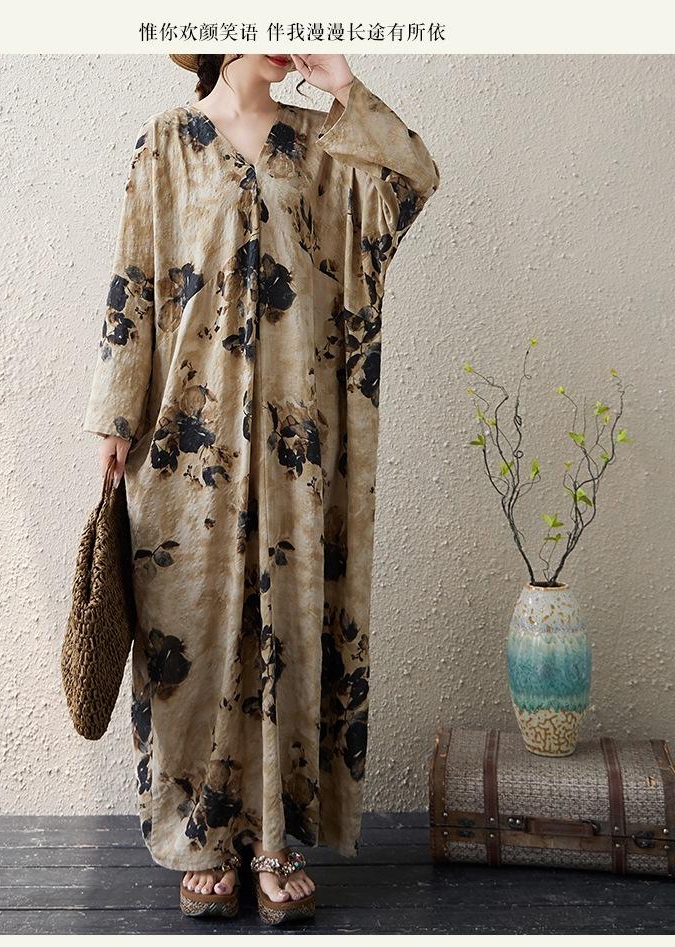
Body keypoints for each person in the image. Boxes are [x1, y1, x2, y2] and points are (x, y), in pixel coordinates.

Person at [82, 51, 440, 923]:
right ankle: (204, 837)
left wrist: (343, 86)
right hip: (185, 444)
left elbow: (412, 180)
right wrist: (115, 415)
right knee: (188, 628)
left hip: (296, 451)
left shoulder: (324, 146)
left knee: (289, 627)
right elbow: (134, 282)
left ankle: (275, 838)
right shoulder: (166, 144)